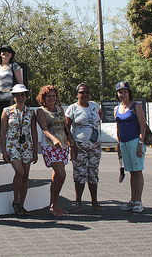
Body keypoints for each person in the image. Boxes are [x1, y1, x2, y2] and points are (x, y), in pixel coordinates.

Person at [0, 84, 37, 217]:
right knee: (19, 172)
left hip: (27, 145)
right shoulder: (7, 111)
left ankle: (22, 204)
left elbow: (34, 131)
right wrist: (3, 151)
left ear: (26, 96)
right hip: (12, 145)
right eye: (17, 95)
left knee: (25, 176)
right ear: (14, 97)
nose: (20, 98)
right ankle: (16, 201)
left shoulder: (31, 112)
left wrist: (35, 150)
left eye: (22, 95)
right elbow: (2, 132)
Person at [65, 83, 103, 211]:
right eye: (81, 92)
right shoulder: (72, 108)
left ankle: (95, 202)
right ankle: (78, 202)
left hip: (95, 144)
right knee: (80, 174)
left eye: (87, 92)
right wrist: (72, 144)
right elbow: (67, 128)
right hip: (79, 145)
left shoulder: (94, 106)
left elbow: (100, 116)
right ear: (77, 94)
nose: (85, 94)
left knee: (93, 173)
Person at [35, 85, 71, 217]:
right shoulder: (41, 111)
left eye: (53, 96)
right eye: (48, 96)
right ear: (43, 98)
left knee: (57, 175)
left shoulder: (60, 109)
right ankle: (54, 203)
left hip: (63, 145)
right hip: (50, 144)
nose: (51, 98)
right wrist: (54, 139)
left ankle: (54, 204)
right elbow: (44, 128)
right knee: (61, 174)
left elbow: (65, 127)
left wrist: (70, 141)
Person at [115, 80, 147, 213]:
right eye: (120, 92)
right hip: (124, 143)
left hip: (135, 142)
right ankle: (133, 200)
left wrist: (140, 143)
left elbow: (143, 126)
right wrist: (118, 145)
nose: (123, 94)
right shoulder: (117, 108)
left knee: (137, 171)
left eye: (125, 92)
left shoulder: (136, 106)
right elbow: (118, 128)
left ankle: (139, 201)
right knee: (131, 172)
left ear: (129, 93)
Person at [0, 45, 23, 162]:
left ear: (11, 55)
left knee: (10, 126)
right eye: (3, 51)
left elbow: (20, 83)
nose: (5, 53)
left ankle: (9, 152)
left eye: (8, 52)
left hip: (10, 99)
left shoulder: (14, 66)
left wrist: (20, 100)